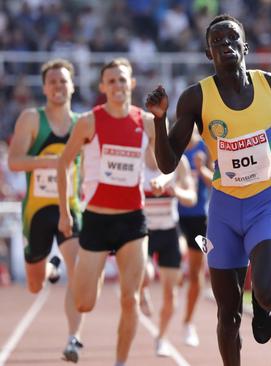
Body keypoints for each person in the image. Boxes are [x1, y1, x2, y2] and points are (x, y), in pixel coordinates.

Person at [145, 14, 271, 366]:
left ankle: (263, 307)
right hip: (224, 210)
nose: (225, 45)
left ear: (245, 46)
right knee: (227, 314)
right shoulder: (196, 97)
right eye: (217, 42)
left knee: (270, 293)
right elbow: (167, 163)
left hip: (267, 201)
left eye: (231, 39)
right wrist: (159, 120)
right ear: (209, 53)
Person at [56, 58, 156, 366]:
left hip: (133, 220)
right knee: (85, 302)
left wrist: (167, 177)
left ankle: (120, 362)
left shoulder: (147, 121)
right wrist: (65, 211)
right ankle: (95, 274)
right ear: (103, 87)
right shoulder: (88, 121)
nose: (117, 86)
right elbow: (63, 164)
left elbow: (157, 164)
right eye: (111, 81)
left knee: (131, 298)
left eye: (122, 80)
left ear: (132, 84)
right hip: (97, 219)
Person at [7, 58, 85, 363]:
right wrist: (53, 163)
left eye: (63, 81)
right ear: (44, 87)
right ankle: (51, 268)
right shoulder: (31, 119)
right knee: (35, 284)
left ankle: (73, 339)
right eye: (52, 81)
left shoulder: (83, 123)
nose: (58, 86)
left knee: (78, 270)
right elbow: (15, 161)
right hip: (37, 211)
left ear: (73, 86)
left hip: (70, 207)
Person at [139, 149, 197, 356]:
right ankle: (143, 290)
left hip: (169, 230)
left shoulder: (178, 162)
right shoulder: (137, 156)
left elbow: (192, 197)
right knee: (146, 274)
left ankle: (161, 338)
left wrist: (174, 190)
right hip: (143, 230)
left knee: (170, 295)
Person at [178, 128, 212, 347]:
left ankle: (188, 322)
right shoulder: (174, 146)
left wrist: (202, 168)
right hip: (172, 215)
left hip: (199, 218)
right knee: (176, 254)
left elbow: (215, 183)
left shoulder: (206, 147)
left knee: (196, 271)